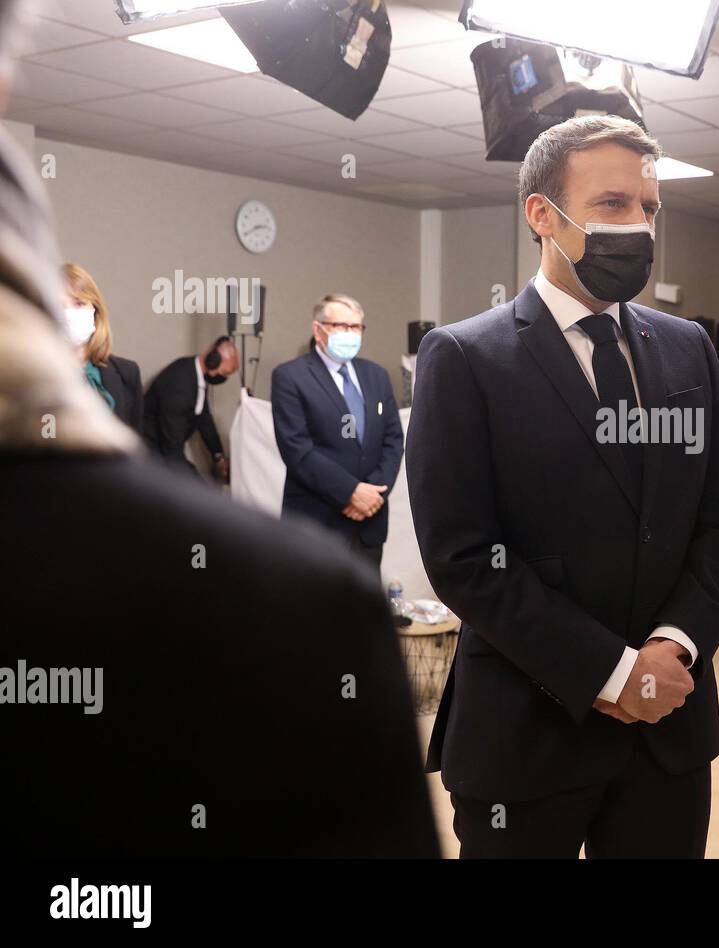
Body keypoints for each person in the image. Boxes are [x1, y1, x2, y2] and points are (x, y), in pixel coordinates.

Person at [0, 0, 437, 857]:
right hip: (289, 516)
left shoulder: (136, 378)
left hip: (343, 521)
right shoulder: (276, 599)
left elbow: (379, 434)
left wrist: (370, 484)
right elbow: (202, 445)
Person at [406, 114, 719, 858]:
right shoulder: (466, 358)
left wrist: (671, 648)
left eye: (649, 208)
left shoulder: (687, 349)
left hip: (669, 733)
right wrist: (613, 671)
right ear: (542, 215)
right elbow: (463, 556)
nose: (638, 227)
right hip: (526, 733)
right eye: (613, 206)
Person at [271, 294, 405, 577]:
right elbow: (297, 449)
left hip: (369, 523)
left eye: (356, 327)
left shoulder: (376, 375)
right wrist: (351, 493)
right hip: (316, 523)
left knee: (361, 615)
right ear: (319, 330)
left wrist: (373, 494)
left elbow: (393, 438)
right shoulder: (290, 377)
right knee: (312, 614)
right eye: (341, 326)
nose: (350, 333)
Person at [60, 262, 142, 433]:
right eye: (59, 305)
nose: (68, 314)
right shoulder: (29, 380)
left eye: (79, 303)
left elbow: (134, 445)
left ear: (95, 311)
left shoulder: (127, 373)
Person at [142, 335, 239, 479]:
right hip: (149, 452)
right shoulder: (179, 388)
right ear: (213, 362)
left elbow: (204, 420)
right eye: (224, 373)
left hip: (166, 450)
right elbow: (172, 452)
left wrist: (218, 456)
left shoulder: (195, 374)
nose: (222, 377)